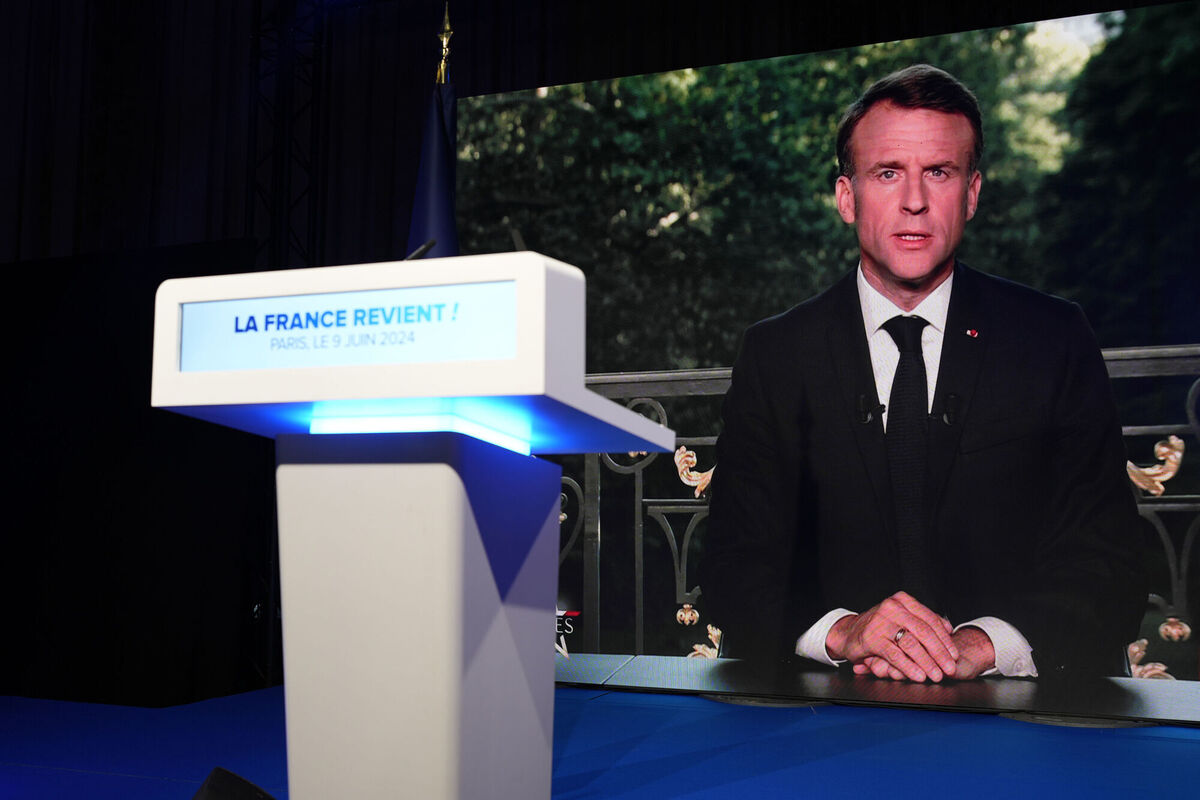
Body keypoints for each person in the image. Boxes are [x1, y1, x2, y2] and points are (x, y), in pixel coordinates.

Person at [698, 64, 1144, 681]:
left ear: (972, 193)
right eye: (888, 173)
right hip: (826, 722)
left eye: (939, 172)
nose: (914, 200)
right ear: (846, 197)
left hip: (1016, 725)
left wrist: (984, 645)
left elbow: (1111, 563)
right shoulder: (776, 354)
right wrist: (846, 632)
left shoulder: (1054, 339)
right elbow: (730, 565)